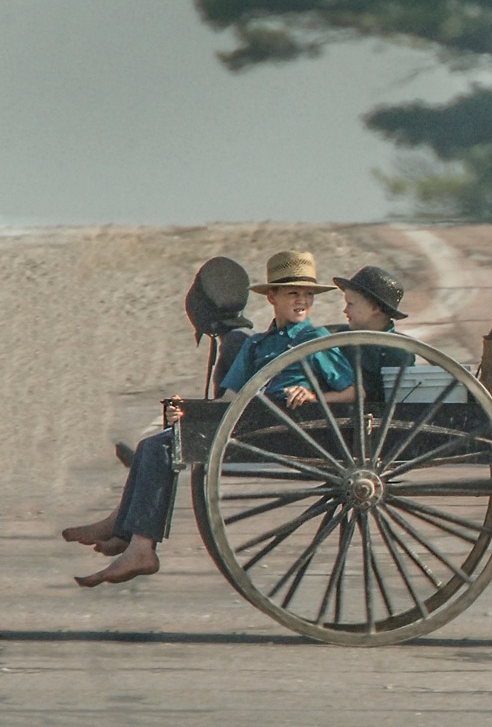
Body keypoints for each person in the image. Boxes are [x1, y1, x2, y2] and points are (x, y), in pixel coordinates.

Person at [62, 250, 356, 588]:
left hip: (282, 428)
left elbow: (352, 392)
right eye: (293, 293)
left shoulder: (316, 342)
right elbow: (228, 399)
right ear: (272, 297)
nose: (302, 300)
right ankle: (126, 533)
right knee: (154, 443)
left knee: (160, 448)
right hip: (246, 421)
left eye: (307, 294)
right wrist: (189, 414)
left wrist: (316, 397)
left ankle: (137, 544)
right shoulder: (256, 344)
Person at [331, 265, 416, 398]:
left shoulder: (398, 352)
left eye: (350, 304)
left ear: (375, 308)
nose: (345, 310)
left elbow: (402, 398)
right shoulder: (341, 338)